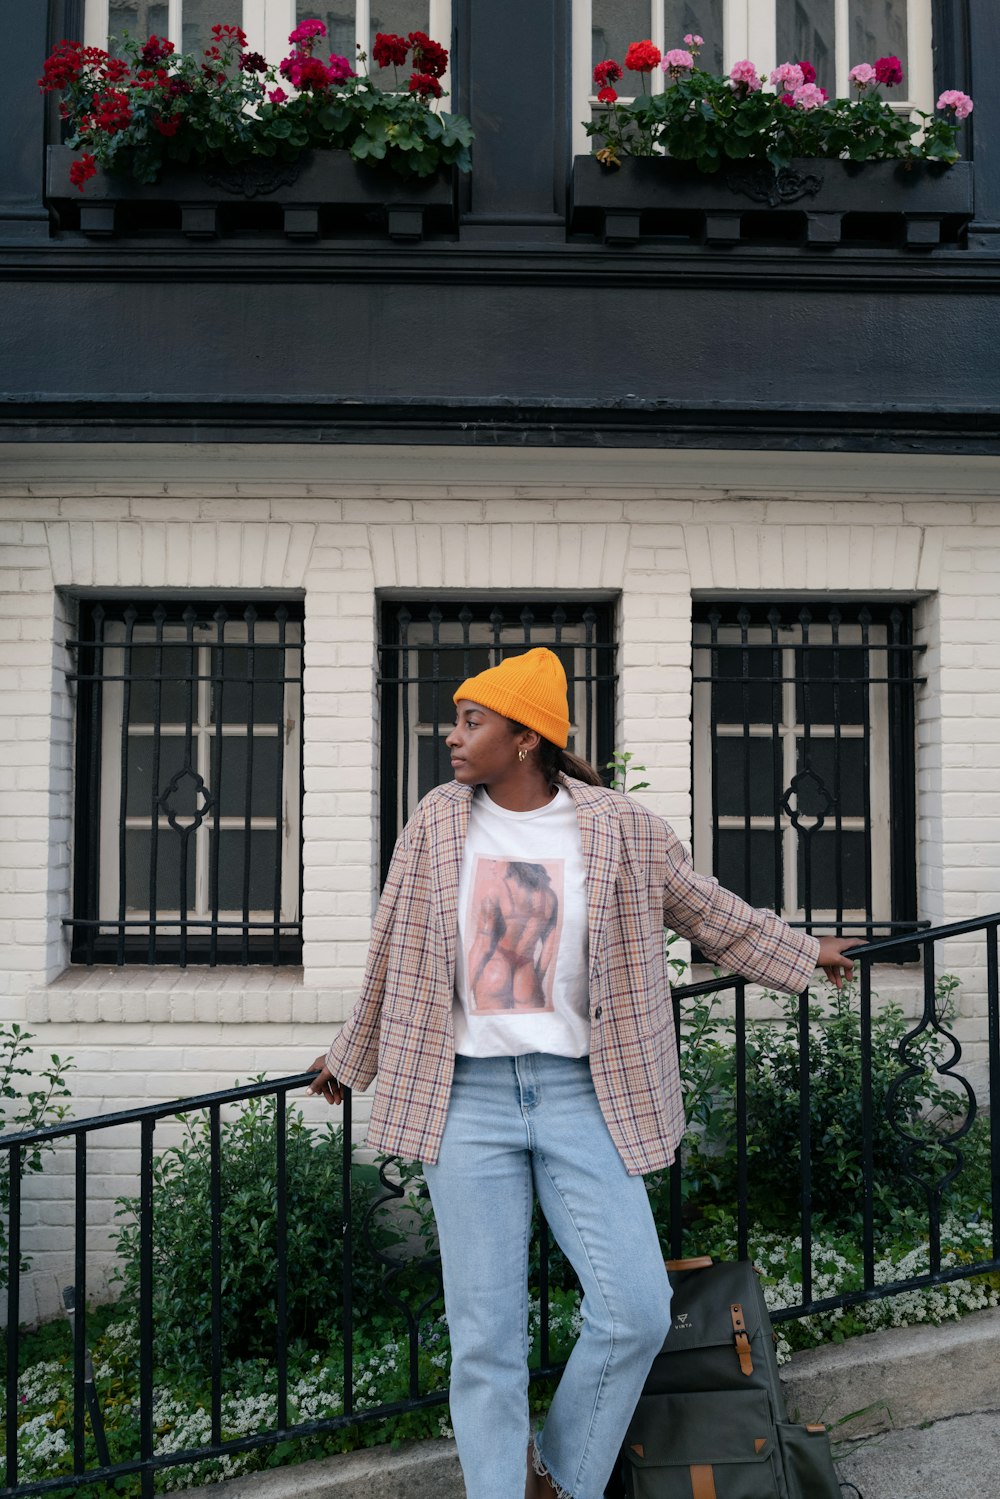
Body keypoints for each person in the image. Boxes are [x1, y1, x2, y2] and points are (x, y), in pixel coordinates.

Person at [308, 647, 855, 1499]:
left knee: (635, 1307)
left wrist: (802, 950)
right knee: (485, 1338)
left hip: (581, 1093)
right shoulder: (436, 821)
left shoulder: (620, 829)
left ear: (526, 737)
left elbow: (709, 912)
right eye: (456, 719)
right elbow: (391, 953)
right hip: (466, 1100)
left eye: (472, 720)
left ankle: (557, 1477)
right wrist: (351, 1056)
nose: (452, 736)